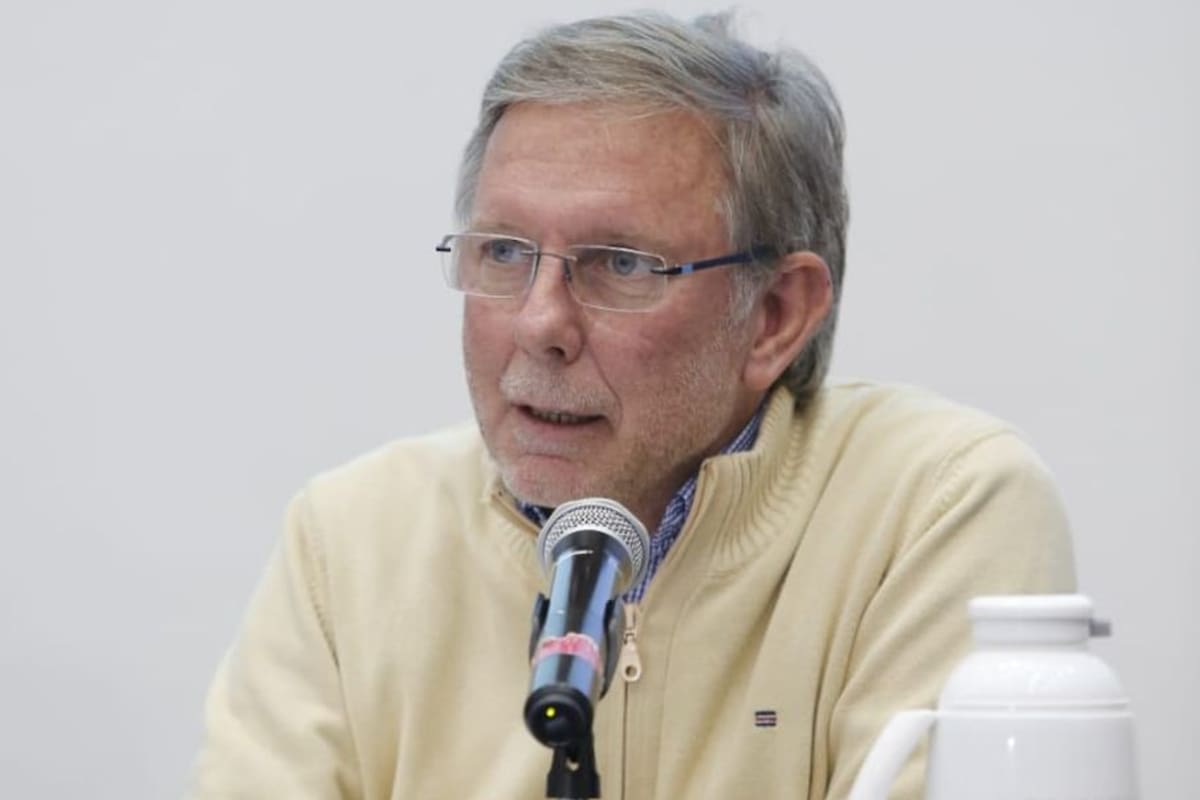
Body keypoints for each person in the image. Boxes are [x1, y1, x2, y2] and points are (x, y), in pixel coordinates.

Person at [188, 11, 1074, 799]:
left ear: (775, 315)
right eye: (503, 252)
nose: (540, 323)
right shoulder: (352, 541)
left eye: (620, 264)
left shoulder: (933, 507)